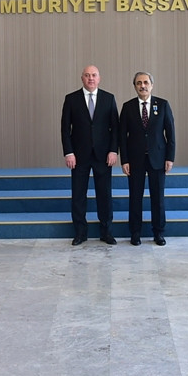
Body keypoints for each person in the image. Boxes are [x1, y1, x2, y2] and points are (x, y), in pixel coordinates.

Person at [60, 65, 119, 246]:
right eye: (87, 75)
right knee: (78, 195)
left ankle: (106, 232)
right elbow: (65, 129)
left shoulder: (109, 98)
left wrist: (113, 150)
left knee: (105, 195)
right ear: (82, 78)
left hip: (103, 156)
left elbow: (115, 128)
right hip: (78, 156)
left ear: (99, 78)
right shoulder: (71, 99)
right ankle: (80, 233)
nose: (90, 78)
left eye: (94, 75)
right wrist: (69, 152)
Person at [119, 71, 175, 246]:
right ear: (135, 86)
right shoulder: (127, 107)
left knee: (158, 198)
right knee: (135, 198)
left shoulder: (163, 105)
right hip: (135, 160)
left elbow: (170, 133)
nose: (142, 86)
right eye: (138, 83)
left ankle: (158, 233)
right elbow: (122, 136)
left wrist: (170, 157)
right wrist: (124, 160)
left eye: (145, 82)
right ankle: (135, 233)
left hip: (158, 158)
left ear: (151, 85)